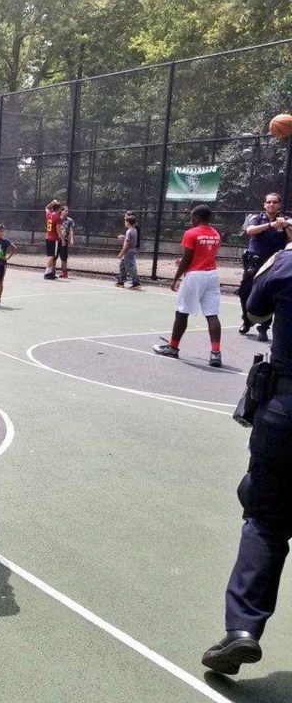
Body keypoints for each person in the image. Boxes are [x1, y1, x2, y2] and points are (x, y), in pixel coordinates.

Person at [201, 222, 292, 675]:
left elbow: (254, 312)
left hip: (285, 412)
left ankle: (242, 630)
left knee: (265, 519)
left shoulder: (287, 263)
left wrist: (279, 257)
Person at [153, 204, 222, 367]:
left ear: (197, 217)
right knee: (212, 315)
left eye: (192, 218)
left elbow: (187, 259)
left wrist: (175, 278)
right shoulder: (216, 234)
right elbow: (205, 253)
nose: (191, 220)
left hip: (195, 276)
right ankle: (215, 354)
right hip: (212, 275)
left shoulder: (191, 233)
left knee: (182, 313)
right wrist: (186, 259)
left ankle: (173, 347)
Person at [237, 193, 288, 341]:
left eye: (274, 202)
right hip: (254, 260)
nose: (271, 204)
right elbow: (249, 230)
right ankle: (247, 320)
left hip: (273, 263)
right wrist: (270, 225)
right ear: (264, 204)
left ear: (279, 205)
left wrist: (286, 225)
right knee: (244, 291)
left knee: (269, 295)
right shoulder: (256, 218)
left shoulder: (284, 220)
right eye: (269, 202)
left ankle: (264, 327)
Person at [115, 212, 141, 289]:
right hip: (129, 251)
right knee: (122, 265)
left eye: (125, 221)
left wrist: (121, 253)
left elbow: (127, 244)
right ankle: (121, 281)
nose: (124, 223)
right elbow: (129, 239)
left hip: (129, 252)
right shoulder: (133, 230)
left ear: (128, 222)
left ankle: (136, 282)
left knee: (130, 267)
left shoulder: (129, 231)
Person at [43, 200, 62, 279]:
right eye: (60, 208)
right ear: (58, 208)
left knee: (51, 256)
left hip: (48, 237)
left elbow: (46, 208)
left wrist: (51, 202)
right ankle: (47, 273)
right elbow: (58, 229)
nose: (61, 209)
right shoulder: (57, 217)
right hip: (54, 238)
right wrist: (61, 238)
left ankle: (50, 272)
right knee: (52, 256)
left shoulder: (49, 214)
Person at [58, 205, 75, 278]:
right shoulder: (57, 219)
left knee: (63, 256)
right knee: (54, 256)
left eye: (68, 211)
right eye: (65, 211)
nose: (67, 212)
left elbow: (71, 230)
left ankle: (64, 272)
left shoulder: (70, 220)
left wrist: (71, 239)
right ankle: (52, 270)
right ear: (61, 211)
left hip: (64, 240)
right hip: (56, 239)